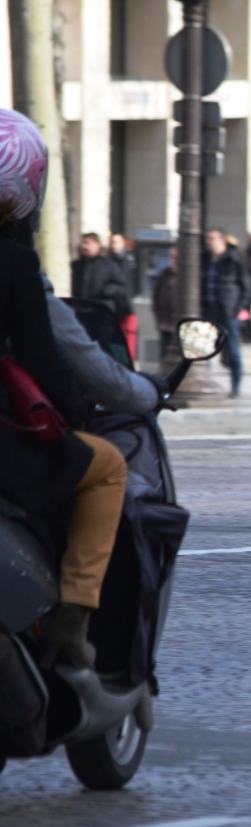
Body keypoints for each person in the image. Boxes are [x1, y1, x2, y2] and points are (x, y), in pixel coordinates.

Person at [0, 109, 128, 670]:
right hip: (6, 452)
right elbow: (46, 363)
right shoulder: (12, 263)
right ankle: (73, 620)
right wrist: (76, 412)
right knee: (107, 466)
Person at [202, 227, 251, 398]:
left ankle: (236, 386)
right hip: (208, 311)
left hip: (228, 312)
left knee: (233, 351)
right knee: (204, 350)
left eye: (212, 238)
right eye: (208, 238)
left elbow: (246, 286)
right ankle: (205, 383)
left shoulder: (233, 260)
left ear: (222, 240)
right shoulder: (204, 259)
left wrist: (238, 308)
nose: (209, 242)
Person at [72, 232, 135, 358]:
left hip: (102, 316)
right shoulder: (78, 265)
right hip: (81, 315)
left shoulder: (108, 265)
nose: (84, 246)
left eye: (88, 243)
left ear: (97, 245)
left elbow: (121, 287)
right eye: (83, 243)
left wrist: (106, 291)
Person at [152, 249, 180, 356]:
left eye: (176, 258)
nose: (174, 260)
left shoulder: (186, 276)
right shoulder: (165, 274)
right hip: (165, 323)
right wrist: (158, 314)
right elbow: (156, 294)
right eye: (172, 257)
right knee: (164, 353)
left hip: (179, 325)